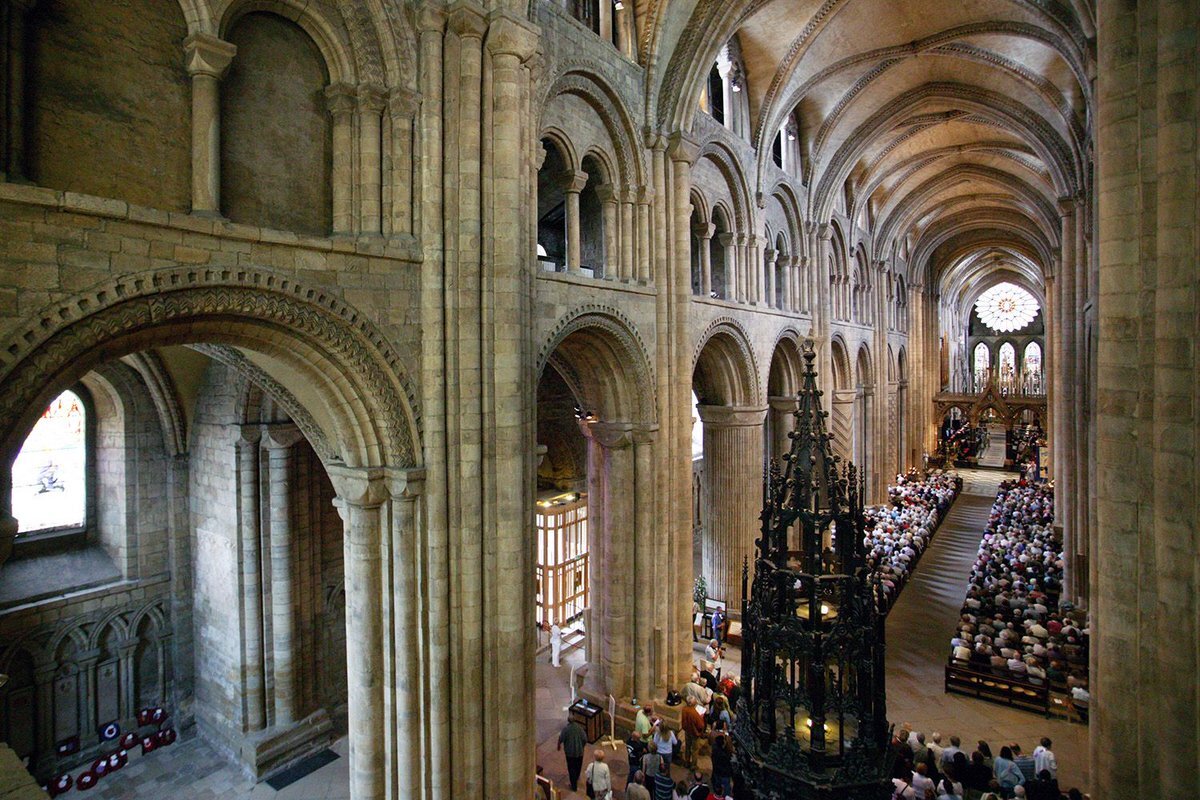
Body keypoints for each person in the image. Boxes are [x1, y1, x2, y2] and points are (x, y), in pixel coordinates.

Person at [556, 715, 586, 792]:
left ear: (568, 721)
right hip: (579, 752)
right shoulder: (579, 728)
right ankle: (577, 777)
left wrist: (558, 745)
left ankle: (574, 786)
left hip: (570, 753)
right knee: (578, 765)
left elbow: (561, 738)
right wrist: (582, 746)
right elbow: (585, 738)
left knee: (571, 768)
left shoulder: (566, 729)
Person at [682, 699, 706, 769]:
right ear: (693, 704)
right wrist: (701, 717)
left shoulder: (684, 709)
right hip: (694, 733)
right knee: (694, 749)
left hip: (687, 731)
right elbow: (701, 725)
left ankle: (687, 762)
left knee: (687, 747)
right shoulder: (694, 713)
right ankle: (693, 765)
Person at [710, 730, 733, 795]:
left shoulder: (714, 747)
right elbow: (727, 764)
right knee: (726, 787)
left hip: (716, 771)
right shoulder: (723, 755)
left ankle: (717, 792)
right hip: (723, 773)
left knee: (717, 784)